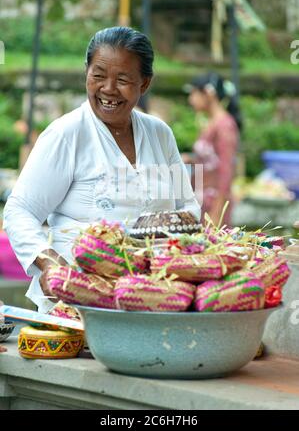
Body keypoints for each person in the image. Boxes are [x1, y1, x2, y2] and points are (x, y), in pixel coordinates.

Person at [3, 26, 200, 313]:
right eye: (98, 76)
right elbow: (20, 210)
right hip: (77, 303)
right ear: (86, 74)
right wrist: (48, 263)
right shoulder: (66, 134)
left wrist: (168, 242)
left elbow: (189, 207)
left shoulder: (160, 134)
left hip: (154, 298)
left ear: (144, 84)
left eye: (122, 80)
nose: (108, 89)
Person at [182, 72, 240, 227]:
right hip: (202, 201)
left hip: (215, 204)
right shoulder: (211, 123)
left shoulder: (225, 125)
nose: (190, 100)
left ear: (208, 93)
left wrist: (217, 212)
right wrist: (191, 160)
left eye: (194, 93)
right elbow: (211, 160)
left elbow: (226, 169)